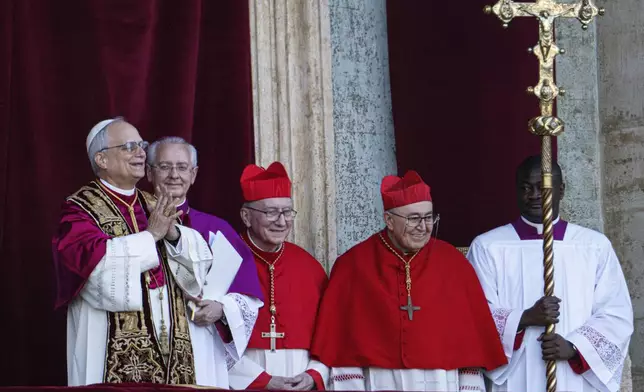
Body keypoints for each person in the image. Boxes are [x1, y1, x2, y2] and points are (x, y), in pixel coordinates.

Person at [53, 118, 217, 386]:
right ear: (102, 159)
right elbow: (91, 266)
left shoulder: (153, 202)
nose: (141, 152)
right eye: (129, 146)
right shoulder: (81, 208)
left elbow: (198, 268)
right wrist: (151, 235)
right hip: (108, 341)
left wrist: (174, 235)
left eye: (142, 145)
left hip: (170, 342)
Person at [310, 170, 506, 391]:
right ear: (389, 221)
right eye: (413, 219)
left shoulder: (454, 264)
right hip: (379, 381)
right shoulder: (353, 265)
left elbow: (470, 347)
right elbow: (341, 345)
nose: (423, 227)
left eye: (429, 217)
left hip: (441, 382)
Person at [467, 155, 634, 392]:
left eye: (542, 187)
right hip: (517, 375)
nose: (534, 195)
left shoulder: (593, 246)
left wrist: (575, 348)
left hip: (575, 377)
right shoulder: (488, 246)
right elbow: (474, 314)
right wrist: (524, 317)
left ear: (561, 190)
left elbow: (616, 314)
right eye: (525, 188)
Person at [145, 136, 264, 387]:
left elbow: (248, 296)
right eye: (164, 167)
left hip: (200, 346)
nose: (174, 175)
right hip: (146, 343)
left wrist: (221, 310)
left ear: (194, 174)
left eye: (182, 167)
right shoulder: (130, 222)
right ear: (149, 173)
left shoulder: (216, 229)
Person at [228, 162, 329, 391]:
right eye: (271, 212)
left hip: (301, 380)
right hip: (242, 381)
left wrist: (314, 374)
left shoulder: (309, 267)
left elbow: (331, 333)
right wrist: (261, 380)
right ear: (246, 216)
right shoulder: (226, 258)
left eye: (287, 212)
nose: (282, 222)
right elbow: (210, 337)